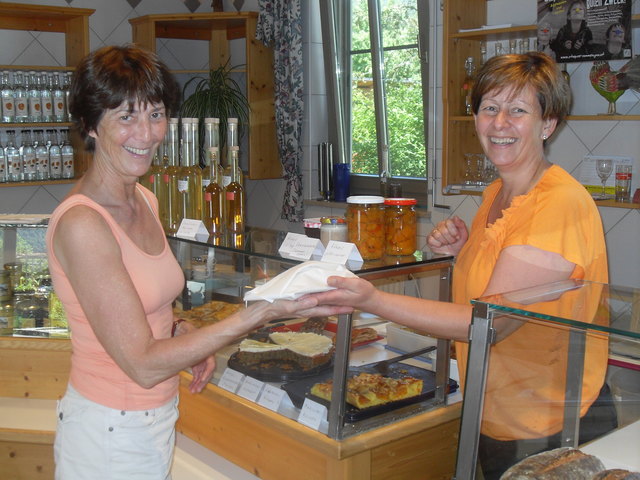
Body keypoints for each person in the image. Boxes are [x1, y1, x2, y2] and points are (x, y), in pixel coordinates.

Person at [307, 52, 616, 478]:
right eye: (489, 108)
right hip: (497, 408)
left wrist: (374, 299)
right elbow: (504, 279)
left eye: (518, 110)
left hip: (551, 424)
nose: (499, 123)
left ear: (548, 124)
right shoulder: (496, 194)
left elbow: (487, 323)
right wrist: (467, 250)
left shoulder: (558, 203)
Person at [45, 44, 323, 479]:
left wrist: (180, 329)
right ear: (89, 125)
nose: (147, 133)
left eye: (156, 114)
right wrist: (259, 314)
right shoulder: (83, 224)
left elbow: (146, 307)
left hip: (151, 420)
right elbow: (141, 362)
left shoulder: (144, 199)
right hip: (108, 430)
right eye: (126, 117)